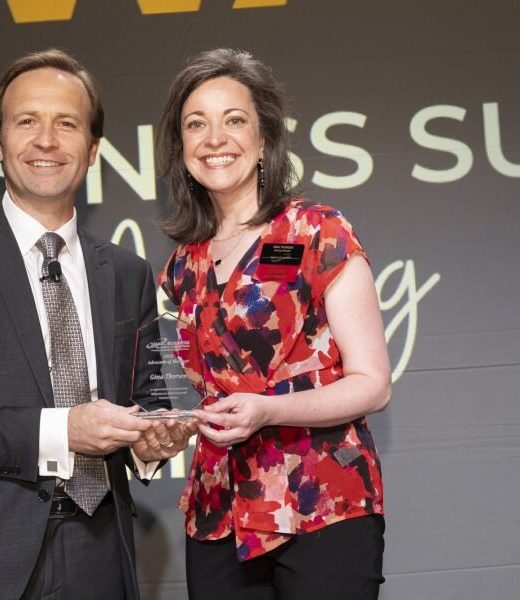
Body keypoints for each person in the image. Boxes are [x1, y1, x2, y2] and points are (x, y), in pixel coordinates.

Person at [0, 48, 191, 600]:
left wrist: (152, 442)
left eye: (66, 124)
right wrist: (62, 430)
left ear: (93, 150)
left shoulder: (128, 272)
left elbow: (144, 404)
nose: (46, 140)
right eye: (27, 121)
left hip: (101, 554)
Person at [156, 48, 391, 599]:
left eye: (233, 120)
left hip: (321, 501)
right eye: (197, 124)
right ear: (181, 148)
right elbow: (189, 390)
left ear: (264, 140)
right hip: (217, 512)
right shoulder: (180, 266)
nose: (215, 138)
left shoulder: (317, 231)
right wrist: (160, 432)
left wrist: (270, 410)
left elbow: (372, 384)